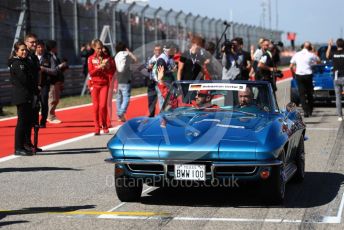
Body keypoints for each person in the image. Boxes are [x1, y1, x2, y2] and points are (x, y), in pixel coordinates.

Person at [8, 41, 34, 156]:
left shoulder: (25, 62)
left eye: (25, 50)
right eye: (22, 50)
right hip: (21, 95)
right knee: (22, 122)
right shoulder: (17, 63)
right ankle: (18, 147)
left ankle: (24, 145)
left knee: (27, 122)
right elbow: (24, 80)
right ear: (16, 51)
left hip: (27, 94)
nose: (24, 52)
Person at [88, 39, 115, 135]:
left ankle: (104, 124)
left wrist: (107, 67)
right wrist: (99, 67)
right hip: (94, 85)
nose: (100, 50)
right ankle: (96, 127)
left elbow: (112, 71)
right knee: (95, 107)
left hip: (104, 84)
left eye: (101, 48)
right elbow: (90, 72)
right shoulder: (91, 58)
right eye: (98, 48)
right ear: (94, 48)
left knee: (103, 106)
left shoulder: (107, 58)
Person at [290, 41, 320, 117]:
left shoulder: (297, 54)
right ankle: (310, 110)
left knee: (302, 94)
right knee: (310, 93)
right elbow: (319, 60)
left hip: (299, 75)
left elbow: (291, 66)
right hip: (308, 75)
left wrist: (293, 74)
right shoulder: (311, 54)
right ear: (310, 48)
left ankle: (305, 111)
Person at [24, 33, 42, 152]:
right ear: (26, 43)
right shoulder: (24, 56)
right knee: (26, 119)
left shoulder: (34, 57)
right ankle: (25, 143)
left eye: (35, 42)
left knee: (35, 119)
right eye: (31, 42)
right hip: (27, 92)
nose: (34, 44)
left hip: (36, 90)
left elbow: (39, 72)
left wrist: (39, 85)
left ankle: (32, 144)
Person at [45, 40, 68, 124]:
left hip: (57, 79)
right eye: (55, 46)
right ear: (52, 47)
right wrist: (60, 66)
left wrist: (63, 66)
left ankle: (51, 115)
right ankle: (50, 116)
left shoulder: (55, 55)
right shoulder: (48, 56)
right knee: (52, 99)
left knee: (56, 99)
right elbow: (53, 69)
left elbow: (57, 68)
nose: (57, 48)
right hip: (52, 80)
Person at [114, 42, 137, 122]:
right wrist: (129, 52)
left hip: (118, 79)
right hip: (127, 79)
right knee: (126, 97)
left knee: (119, 98)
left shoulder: (116, 56)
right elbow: (135, 60)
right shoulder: (127, 55)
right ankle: (121, 112)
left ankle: (120, 116)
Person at [327, 38, 344, 121]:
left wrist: (329, 46)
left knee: (338, 97)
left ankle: (340, 116)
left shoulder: (333, 53)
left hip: (336, 77)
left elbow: (327, 56)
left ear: (336, 45)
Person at [35, 40, 51, 128]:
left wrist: (44, 69)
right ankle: (35, 121)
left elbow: (54, 70)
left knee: (44, 102)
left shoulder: (48, 57)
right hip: (34, 84)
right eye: (38, 47)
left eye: (41, 47)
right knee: (35, 103)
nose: (40, 49)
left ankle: (43, 121)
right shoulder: (31, 57)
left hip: (45, 84)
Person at [102, 46, 117, 127]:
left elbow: (115, 74)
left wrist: (115, 86)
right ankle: (102, 120)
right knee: (102, 104)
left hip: (110, 83)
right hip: (101, 83)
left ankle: (109, 121)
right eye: (103, 52)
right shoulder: (99, 60)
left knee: (108, 103)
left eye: (106, 51)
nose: (104, 53)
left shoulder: (111, 60)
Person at [146, 44, 162, 117]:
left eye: (159, 50)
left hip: (160, 82)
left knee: (161, 100)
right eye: (156, 50)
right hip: (152, 82)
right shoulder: (150, 59)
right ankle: (151, 116)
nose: (157, 51)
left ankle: (162, 116)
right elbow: (145, 69)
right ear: (154, 51)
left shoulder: (163, 59)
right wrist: (148, 68)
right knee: (151, 100)